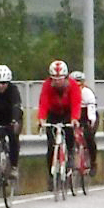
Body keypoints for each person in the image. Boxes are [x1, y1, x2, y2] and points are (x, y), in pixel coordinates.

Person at [37, 59, 80, 188]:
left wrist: (74, 118)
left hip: (67, 112)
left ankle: (70, 153)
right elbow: (43, 103)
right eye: (54, 79)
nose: (57, 82)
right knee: (51, 145)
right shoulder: (47, 85)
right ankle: (51, 176)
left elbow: (76, 103)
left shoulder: (73, 85)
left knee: (69, 132)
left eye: (60, 79)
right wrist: (41, 118)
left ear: (66, 78)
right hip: (53, 113)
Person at [71, 69, 99, 174]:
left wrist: (91, 122)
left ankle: (93, 162)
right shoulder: (68, 93)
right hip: (75, 115)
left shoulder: (87, 93)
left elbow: (91, 110)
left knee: (89, 136)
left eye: (79, 83)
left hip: (88, 114)